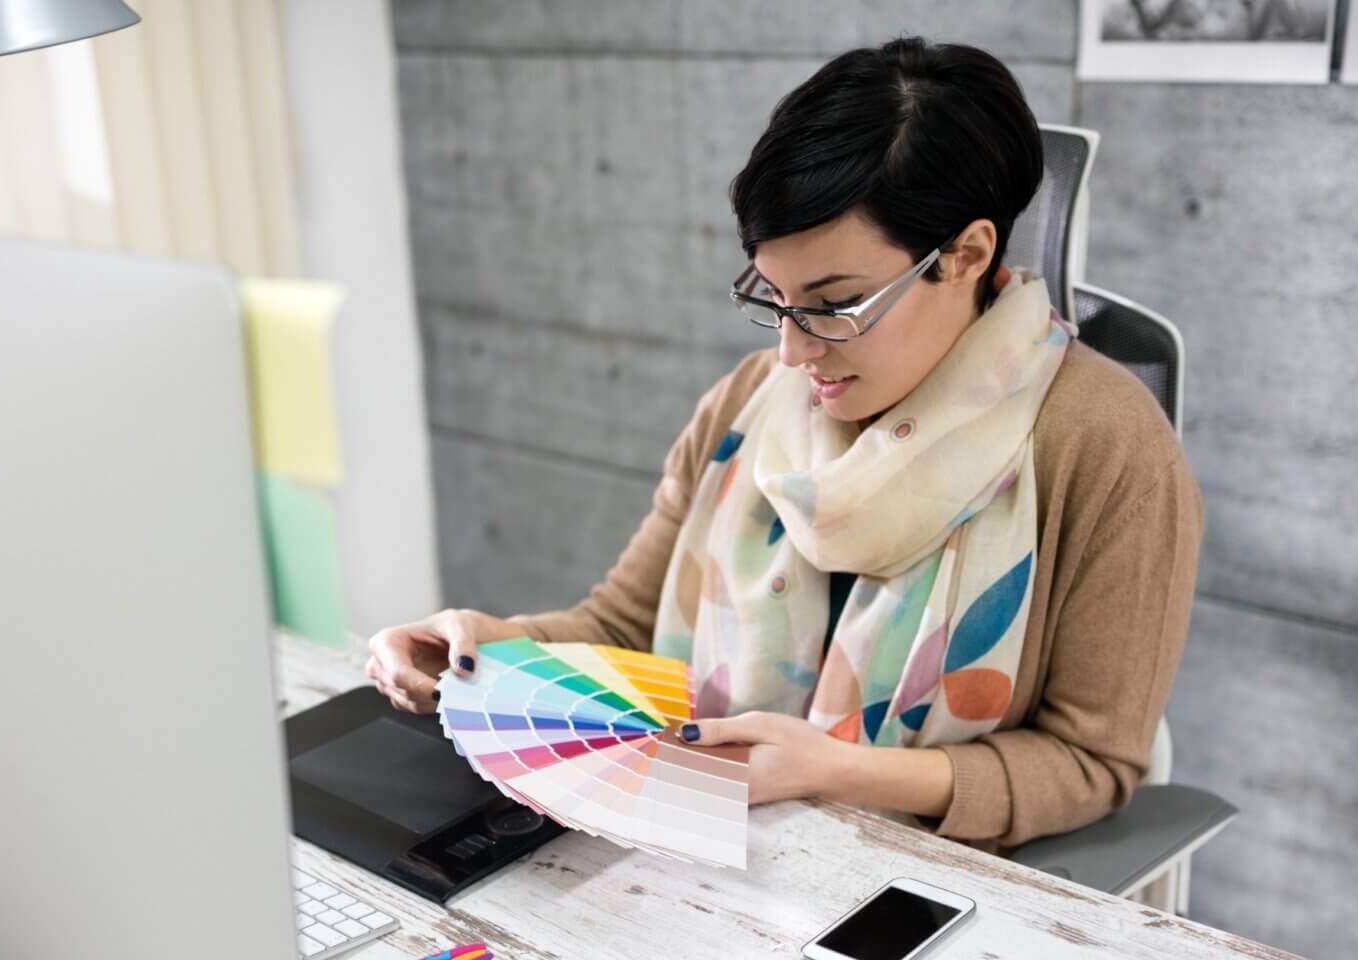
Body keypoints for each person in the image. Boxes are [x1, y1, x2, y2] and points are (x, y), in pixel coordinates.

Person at [367, 37, 1201, 851]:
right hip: (694, 845)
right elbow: (624, 626)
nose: (792, 354)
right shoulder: (749, 403)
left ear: (967, 255)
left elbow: (1090, 763)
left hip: (920, 892)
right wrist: (487, 645)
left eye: (834, 303)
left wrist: (837, 771)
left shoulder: (1106, 448)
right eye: (775, 298)